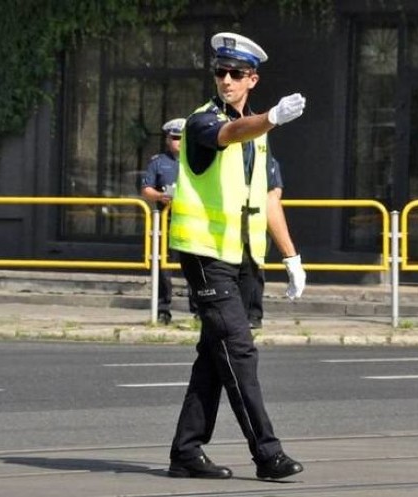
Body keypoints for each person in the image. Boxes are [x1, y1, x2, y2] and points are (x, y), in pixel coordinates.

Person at [166, 32, 307, 481]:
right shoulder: (202, 122)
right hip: (206, 255)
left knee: (216, 353)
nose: (225, 80)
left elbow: (269, 198)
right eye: (219, 73)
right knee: (239, 352)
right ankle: (268, 454)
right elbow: (229, 132)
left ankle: (186, 452)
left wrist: (291, 257)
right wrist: (272, 117)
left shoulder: (260, 137)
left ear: (252, 79)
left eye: (234, 74)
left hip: (244, 259)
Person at [139, 118, 197, 324]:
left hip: (192, 222)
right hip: (167, 221)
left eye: (182, 138)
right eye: (174, 138)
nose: (179, 141)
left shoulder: (196, 159)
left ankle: (198, 310)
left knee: (195, 268)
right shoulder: (158, 162)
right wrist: (159, 197)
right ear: (167, 139)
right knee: (164, 267)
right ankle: (163, 309)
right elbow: (146, 189)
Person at [241, 157, 297, 330]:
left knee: (254, 275)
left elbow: (274, 194)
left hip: (256, 230)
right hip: (232, 231)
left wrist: (292, 259)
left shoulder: (268, 161)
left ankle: (253, 315)